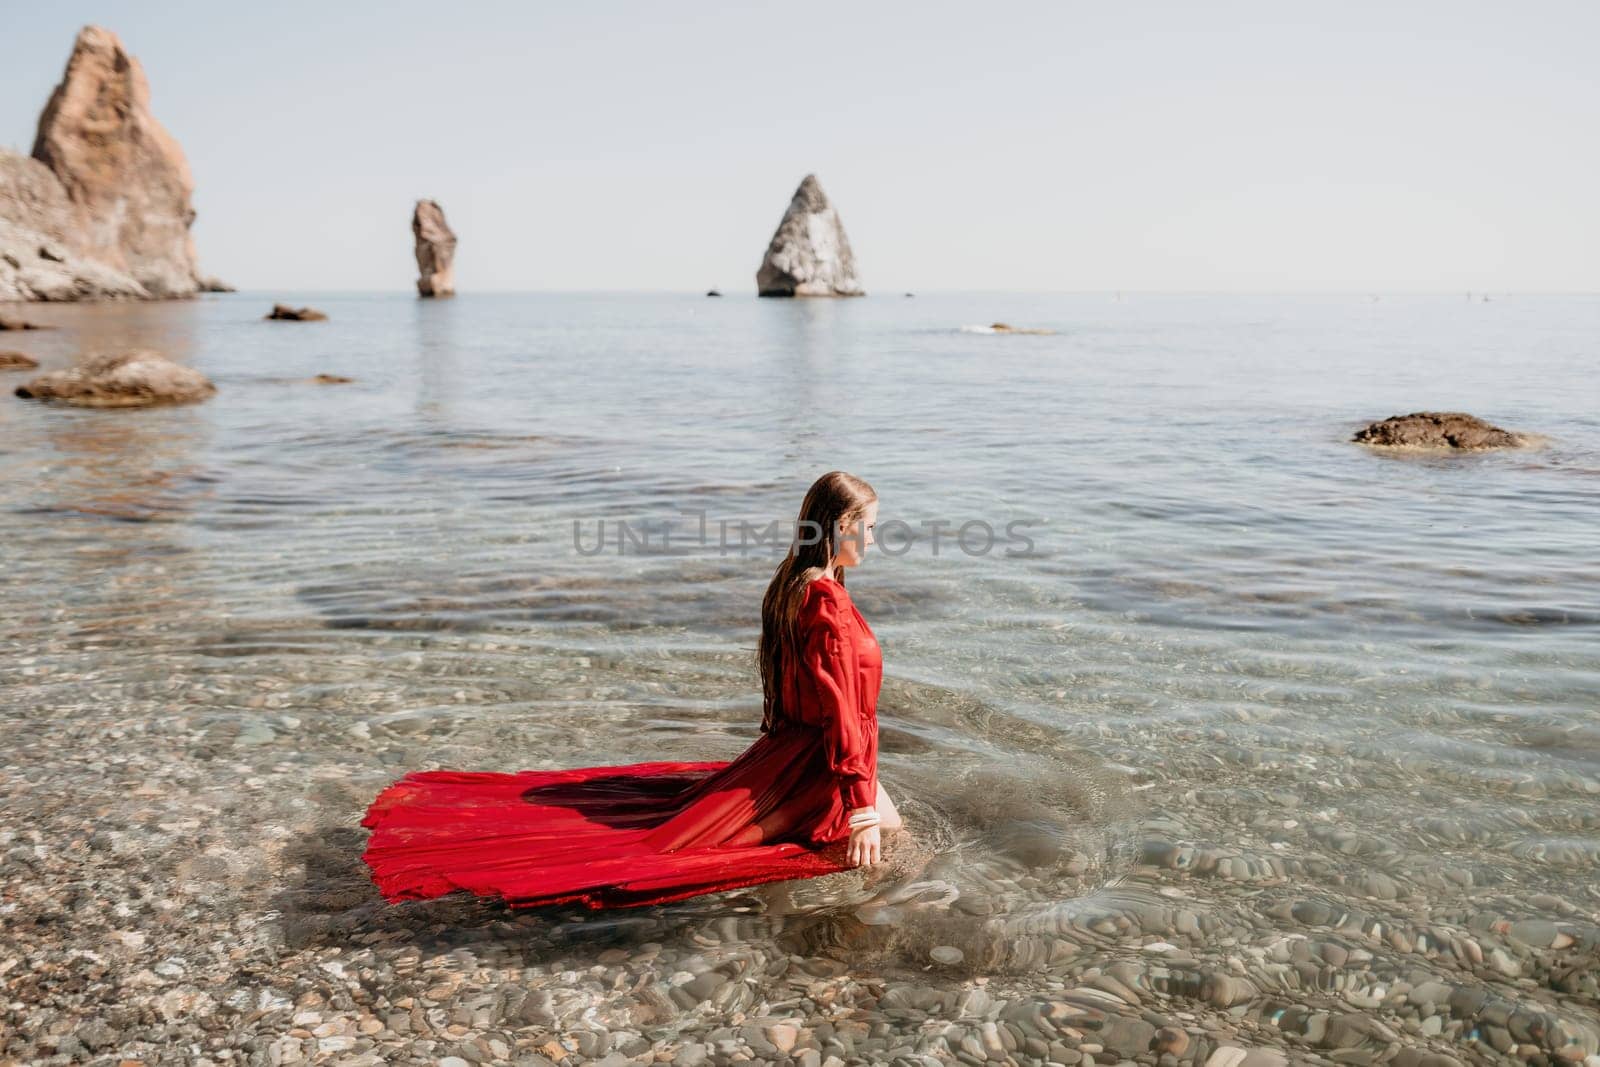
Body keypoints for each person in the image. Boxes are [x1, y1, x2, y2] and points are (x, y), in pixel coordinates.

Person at [360, 470, 900, 909]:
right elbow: (840, 710)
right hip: (818, 762)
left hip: (796, 752)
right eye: (870, 527)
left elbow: (793, 687)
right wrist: (859, 808)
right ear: (842, 524)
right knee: (883, 842)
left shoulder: (792, 582)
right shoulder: (826, 602)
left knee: (871, 836)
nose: (874, 540)